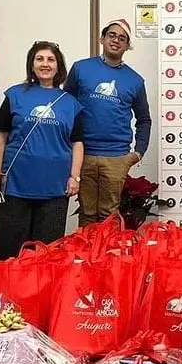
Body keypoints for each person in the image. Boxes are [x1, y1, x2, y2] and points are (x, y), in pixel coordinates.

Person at [0, 42, 84, 259]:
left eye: (51, 60)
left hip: (55, 188)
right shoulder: (14, 95)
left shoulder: (71, 103)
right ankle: (3, 290)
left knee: (47, 248)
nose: (45, 64)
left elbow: (77, 142)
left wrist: (74, 177)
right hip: (16, 184)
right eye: (39, 59)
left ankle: (40, 291)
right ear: (32, 65)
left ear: (58, 67)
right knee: (9, 244)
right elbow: (0, 135)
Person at [64, 18, 151, 227]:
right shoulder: (80, 69)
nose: (116, 40)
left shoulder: (135, 80)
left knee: (108, 215)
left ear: (127, 46)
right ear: (102, 39)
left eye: (122, 38)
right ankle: (86, 258)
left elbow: (144, 119)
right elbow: (65, 107)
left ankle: (107, 258)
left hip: (116, 157)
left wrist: (137, 152)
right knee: (86, 213)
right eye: (112, 35)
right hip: (83, 154)